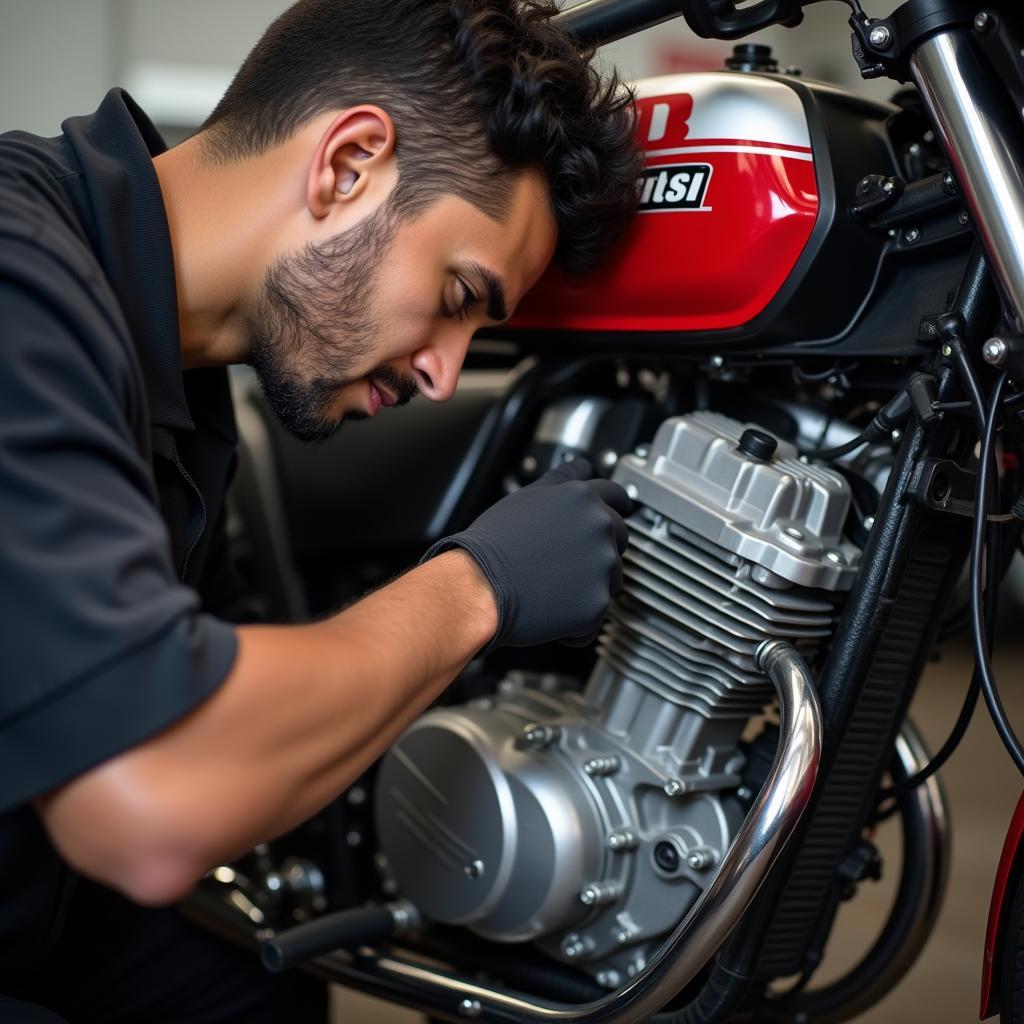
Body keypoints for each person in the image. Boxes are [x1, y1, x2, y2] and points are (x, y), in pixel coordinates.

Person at [0, 0, 641, 1020]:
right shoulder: (20, 283)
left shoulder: (176, 371)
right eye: (459, 293)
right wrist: (478, 587)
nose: (443, 374)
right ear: (348, 166)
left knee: (262, 990)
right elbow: (152, 799)